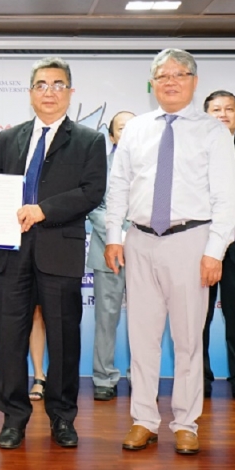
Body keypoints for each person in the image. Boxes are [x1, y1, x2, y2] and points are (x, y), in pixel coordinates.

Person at [104, 49, 235, 455]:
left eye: (180, 74)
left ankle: (185, 423)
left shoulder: (213, 132)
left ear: (194, 82)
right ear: (152, 83)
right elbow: (119, 185)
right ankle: (143, 420)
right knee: (142, 338)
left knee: (188, 340)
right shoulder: (136, 129)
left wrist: (215, 251)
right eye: (162, 76)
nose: (171, 82)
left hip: (190, 241)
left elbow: (227, 198)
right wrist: (113, 235)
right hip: (140, 239)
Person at [0, 57, 106, 450]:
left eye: (57, 84)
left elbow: (91, 192)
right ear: (30, 92)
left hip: (59, 253)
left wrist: (44, 210)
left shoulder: (89, 140)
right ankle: (13, 418)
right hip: (12, 254)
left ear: (70, 92)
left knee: (64, 341)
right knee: (10, 338)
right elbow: (0, 189)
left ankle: (62, 417)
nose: (49, 92)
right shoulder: (9, 138)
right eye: (41, 85)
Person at [201, 90, 235, 404]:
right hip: (202, 247)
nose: (223, 114)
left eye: (229, 109)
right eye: (216, 109)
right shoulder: (194, 150)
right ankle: (198, 378)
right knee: (198, 318)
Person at [88, 110, 134, 401]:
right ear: (112, 136)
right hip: (108, 252)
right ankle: (103, 377)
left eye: (132, 128)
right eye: (121, 128)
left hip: (146, 252)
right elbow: (93, 206)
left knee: (145, 321)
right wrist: (119, 237)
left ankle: (141, 378)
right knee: (106, 319)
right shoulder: (98, 166)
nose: (127, 133)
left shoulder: (155, 166)